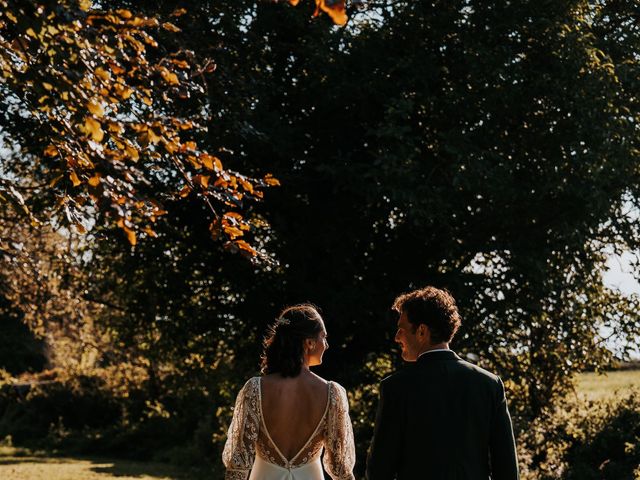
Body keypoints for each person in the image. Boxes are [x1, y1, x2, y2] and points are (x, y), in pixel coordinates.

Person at [366, 286, 519, 480]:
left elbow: (380, 469)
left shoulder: (396, 387)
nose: (396, 337)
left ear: (422, 331)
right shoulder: (489, 384)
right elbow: (506, 468)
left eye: (401, 329)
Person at [223, 304, 356, 480]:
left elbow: (239, 462)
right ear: (309, 343)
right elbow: (339, 468)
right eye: (323, 337)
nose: (327, 345)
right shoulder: (331, 393)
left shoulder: (255, 389)